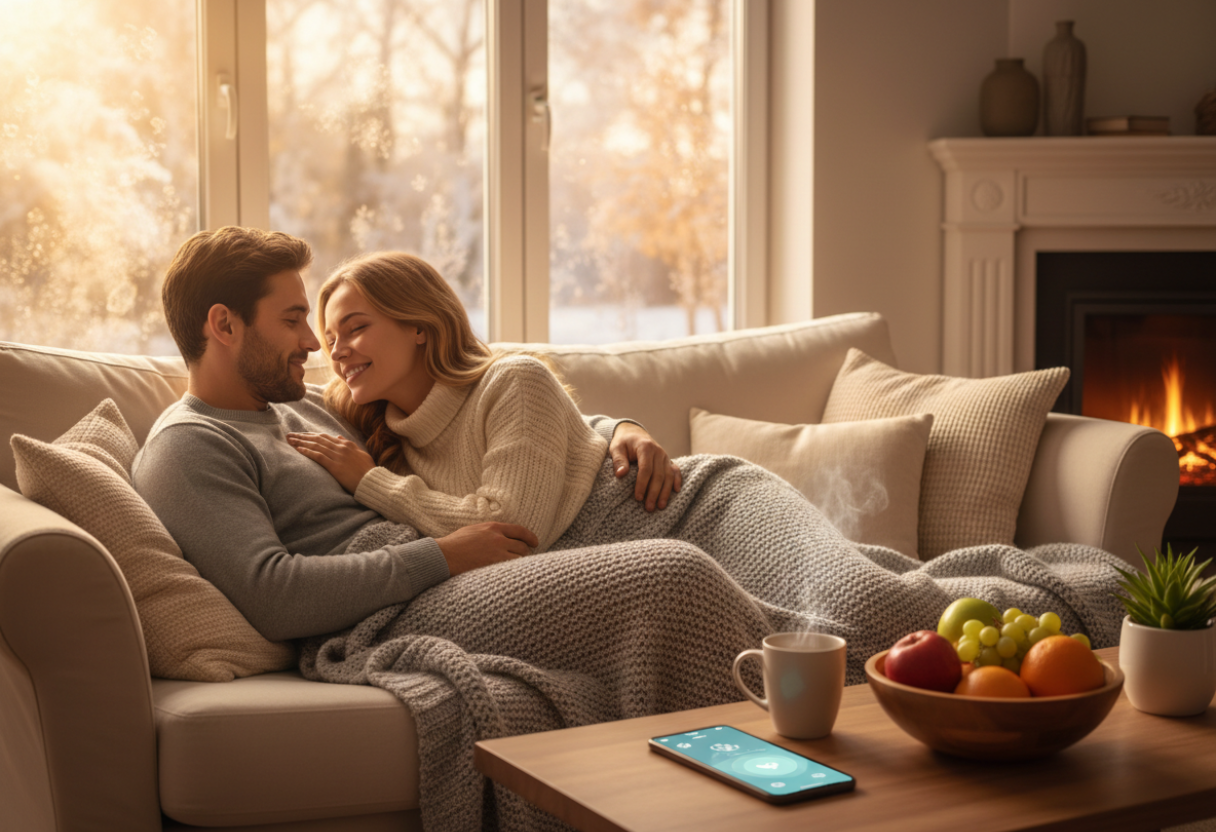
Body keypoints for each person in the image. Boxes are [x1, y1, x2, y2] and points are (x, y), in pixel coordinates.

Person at [130, 226, 680, 642]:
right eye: (294, 320)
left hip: (453, 574)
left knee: (675, 571)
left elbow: (492, 426)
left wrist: (616, 431)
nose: (314, 345)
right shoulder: (189, 446)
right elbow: (274, 596)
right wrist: (441, 557)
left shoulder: (313, 407)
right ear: (224, 326)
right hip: (414, 597)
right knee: (667, 576)